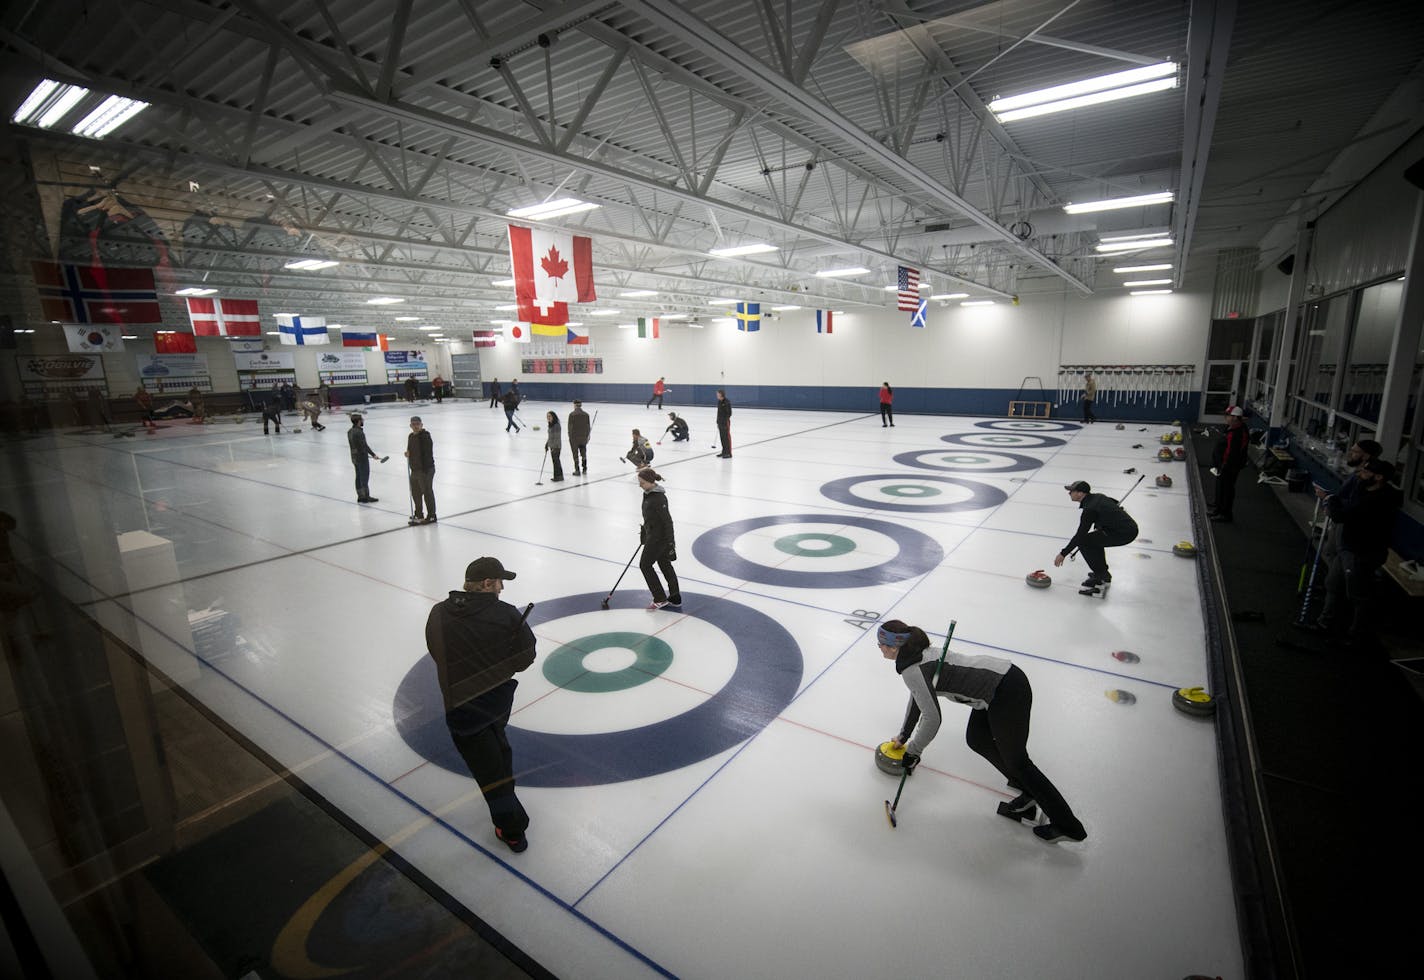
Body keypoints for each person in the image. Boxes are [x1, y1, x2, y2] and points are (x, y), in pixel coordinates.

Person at [877, 620, 1086, 844]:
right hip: (997, 686)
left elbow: (932, 718)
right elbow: (920, 699)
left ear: (893, 647)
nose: (879, 648)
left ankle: (1068, 826)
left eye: (881, 644)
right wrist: (904, 736)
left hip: (1006, 690)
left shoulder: (912, 669)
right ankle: (1028, 794)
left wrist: (913, 752)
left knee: (1019, 763)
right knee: (977, 738)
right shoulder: (916, 655)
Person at [425, 556, 536, 853]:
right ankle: (512, 829)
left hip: (461, 710)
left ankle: (506, 797)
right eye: (499, 582)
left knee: (493, 757)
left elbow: (436, 650)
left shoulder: (437, 613)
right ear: (487, 584)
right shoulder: (506, 615)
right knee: (493, 770)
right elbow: (525, 658)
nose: (501, 588)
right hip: (495, 703)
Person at [1310, 458, 1402, 651]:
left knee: (1358, 596)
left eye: (1366, 472)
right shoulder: (1363, 490)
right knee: (1333, 584)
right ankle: (1325, 622)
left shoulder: (1380, 500)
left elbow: (1343, 515)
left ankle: (1355, 636)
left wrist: (1329, 499)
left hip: (1363, 553)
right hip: (1348, 548)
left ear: (1378, 478)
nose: (1360, 474)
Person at [1053, 480, 1139, 595]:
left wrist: (1063, 553)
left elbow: (1080, 535)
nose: (1069, 494)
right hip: (1124, 528)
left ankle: (1101, 577)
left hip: (1124, 533)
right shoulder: (1097, 497)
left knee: (1084, 542)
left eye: (1071, 491)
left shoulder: (1089, 509)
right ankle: (1102, 572)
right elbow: (1115, 503)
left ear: (1080, 493)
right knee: (1092, 540)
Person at [636, 468, 681, 610]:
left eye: (642, 483)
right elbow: (651, 518)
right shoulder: (648, 494)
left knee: (645, 565)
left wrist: (671, 543)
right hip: (653, 535)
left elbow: (667, 521)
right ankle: (675, 596)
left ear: (650, 482)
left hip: (658, 539)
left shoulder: (658, 498)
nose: (640, 485)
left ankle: (660, 598)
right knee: (664, 564)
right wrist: (645, 531)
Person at [1207, 406, 1250, 522]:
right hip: (1222, 464)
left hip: (1229, 466)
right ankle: (1218, 508)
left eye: (1228, 415)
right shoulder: (1231, 428)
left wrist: (1224, 465)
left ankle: (1225, 514)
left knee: (1227, 489)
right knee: (1220, 487)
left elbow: (1232, 452)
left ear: (1235, 418)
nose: (1225, 418)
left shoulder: (1238, 433)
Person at [405, 416, 437, 524]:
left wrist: (424, 470)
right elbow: (410, 450)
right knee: (416, 493)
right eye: (413, 424)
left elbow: (427, 454)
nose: (415, 426)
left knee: (427, 492)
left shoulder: (425, 437)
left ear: (421, 425)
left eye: (417, 424)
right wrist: (408, 454)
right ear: (410, 426)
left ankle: (432, 515)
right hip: (414, 470)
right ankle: (419, 513)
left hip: (425, 470)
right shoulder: (410, 436)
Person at [347, 413, 382, 503]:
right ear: (359, 421)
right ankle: (366, 496)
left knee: (358, 476)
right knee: (364, 477)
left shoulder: (350, 431)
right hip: (362, 457)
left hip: (354, 457)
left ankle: (360, 496)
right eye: (362, 419)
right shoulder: (359, 432)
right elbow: (364, 446)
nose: (363, 421)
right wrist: (373, 454)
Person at [568, 400, 591, 475]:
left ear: (574, 405)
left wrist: (570, 436)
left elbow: (570, 427)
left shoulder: (572, 414)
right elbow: (588, 427)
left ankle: (577, 470)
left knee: (575, 454)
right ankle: (584, 468)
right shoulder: (586, 415)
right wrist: (587, 436)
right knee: (583, 453)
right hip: (583, 437)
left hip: (574, 438)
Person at [544, 411, 564, 482]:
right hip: (552, 446)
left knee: (556, 461)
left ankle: (559, 477)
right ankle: (557, 476)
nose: (548, 418)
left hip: (556, 447)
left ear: (553, 417)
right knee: (555, 461)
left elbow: (557, 437)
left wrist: (554, 447)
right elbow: (550, 437)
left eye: (549, 416)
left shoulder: (556, 425)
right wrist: (547, 444)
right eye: (547, 416)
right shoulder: (551, 425)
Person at [715, 388, 732, 458]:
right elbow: (718, 413)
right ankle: (724, 451)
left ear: (721, 395)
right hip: (720, 423)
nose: (717, 395)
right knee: (722, 438)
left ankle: (728, 453)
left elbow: (729, 413)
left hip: (725, 423)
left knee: (726, 438)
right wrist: (718, 421)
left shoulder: (727, 402)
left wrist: (724, 420)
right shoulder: (719, 402)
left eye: (718, 394)